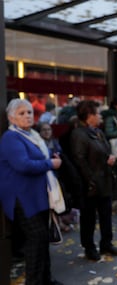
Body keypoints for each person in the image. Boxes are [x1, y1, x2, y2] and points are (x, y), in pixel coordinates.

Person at [0, 98, 63, 285]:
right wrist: (50, 163)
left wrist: (50, 158)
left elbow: (37, 158)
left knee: (43, 240)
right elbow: (23, 165)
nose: (27, 116)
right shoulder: (11, 138)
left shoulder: (31, 134)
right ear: (11, 118)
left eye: (29, 112)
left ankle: (46, 279)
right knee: (37, 239)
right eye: (22, 113)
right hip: (22, 197)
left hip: (38, 195)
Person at [70, 100, 117, 261]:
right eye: (97, 113)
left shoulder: (97, 132)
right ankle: (89, 247)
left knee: (106, 215)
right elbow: (80, 161)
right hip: (91, 184)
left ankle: (106, 243)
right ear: (89, 116)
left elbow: (103, 151)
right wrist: (91, 181)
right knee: (89, 218)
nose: (100, 116)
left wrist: (109, 158)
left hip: (104, 180)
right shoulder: (79, 134)